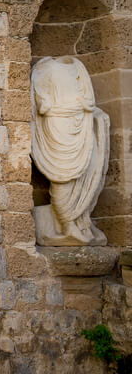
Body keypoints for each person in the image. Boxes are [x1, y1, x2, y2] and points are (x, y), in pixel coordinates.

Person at [30, 55, 109, 246]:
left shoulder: (77, 69)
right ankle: (67, 225)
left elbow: (87, 104)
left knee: (86, 170)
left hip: (79, 125)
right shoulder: (45, 71)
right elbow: (43, 106)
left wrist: (96, 115)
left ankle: (81, 221)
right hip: (58, 126)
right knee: (62, 175)